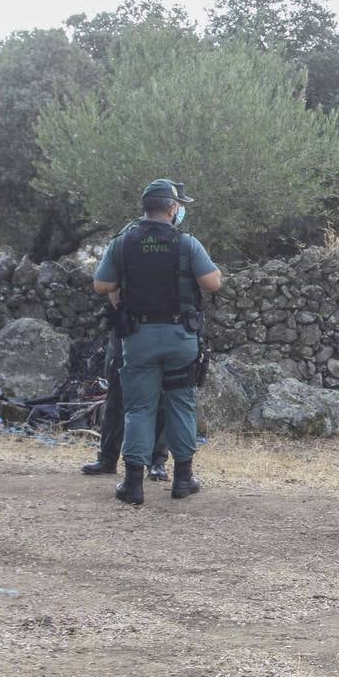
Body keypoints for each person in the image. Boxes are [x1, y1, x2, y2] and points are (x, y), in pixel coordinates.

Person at [93, 179, 222, 505]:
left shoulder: (122, 244)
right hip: (180, 338)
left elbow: (101, 284)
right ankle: (182, 480)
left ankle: (133, 485)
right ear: (172, 208)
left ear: (145, 208)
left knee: (139, 408)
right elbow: (212, 283)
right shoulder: (187, 243)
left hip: (139, 339)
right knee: (181, 404)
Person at [79, 309, 170, 481]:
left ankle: (157, 462)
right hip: (127, 323)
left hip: (159, 325)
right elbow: (106, 286)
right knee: (116, 398)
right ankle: (108, 458)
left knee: (160, 399)